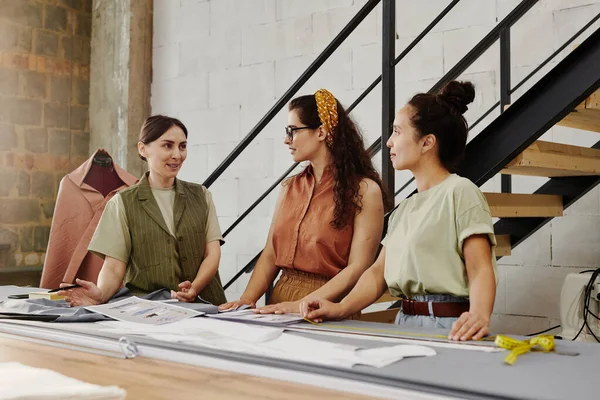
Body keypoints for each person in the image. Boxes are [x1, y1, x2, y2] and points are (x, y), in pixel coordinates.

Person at [301, 81, 498, 341]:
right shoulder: (405, 208)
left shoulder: (460, 192)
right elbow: (377, 273)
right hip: (404, 322)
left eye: (397, 132)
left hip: (450, 327)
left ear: (427, 142)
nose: (390, 142)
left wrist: (480, 315)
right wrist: (340, 308)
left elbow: (480, 267)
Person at [219, 89, 388, 314]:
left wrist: (301, 304)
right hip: (280, 298)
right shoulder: (289, 187)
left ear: (321, 132)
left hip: (326, 304)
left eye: (293, 131)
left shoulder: (365, 190)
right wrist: (247, 299)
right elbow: (270, 252)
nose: (286, 140)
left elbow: (359, 267)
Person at [59, 115, 227, 306]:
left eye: (182, 146)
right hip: (151, 309)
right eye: (167, 145)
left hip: (207, 306)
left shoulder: (202, 196)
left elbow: (212, 254)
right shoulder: (122, 203)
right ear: (143, 148)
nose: (177, 155)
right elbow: (114, 268)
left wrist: (195, 287)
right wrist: (102, 294)